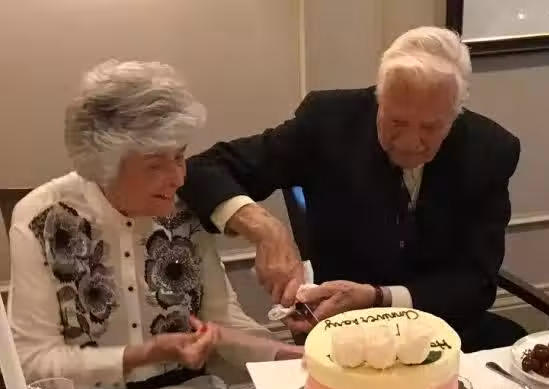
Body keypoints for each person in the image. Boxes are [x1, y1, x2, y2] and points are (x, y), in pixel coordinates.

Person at [178, 27, 527, 352]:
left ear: (455, 114)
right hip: (343, 334)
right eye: (396, 121)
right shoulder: (328, 122)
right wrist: (267, 231)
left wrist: (378, 298)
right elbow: (203, 169)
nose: (409, 142)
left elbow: (475, 284)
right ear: (379, 98)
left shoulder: (490, 151)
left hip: (443, 331)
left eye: (430, 128)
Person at [9, 60, 302, 389]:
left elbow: (222, 323)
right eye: (155, 165)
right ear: (104, 166)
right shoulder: (43, 219)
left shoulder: (186, 206)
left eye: (179, 157)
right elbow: (32, 364)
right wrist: (142, 355)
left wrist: (291, 357)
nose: (178, 177)